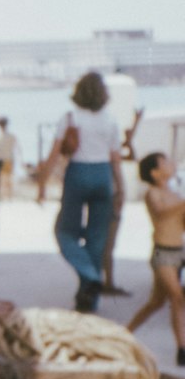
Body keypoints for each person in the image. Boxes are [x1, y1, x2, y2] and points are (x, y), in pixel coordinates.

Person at [37, 72, 124, 314]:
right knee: (97, 238)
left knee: (64, 232)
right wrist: (121, 188)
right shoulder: (110, 120)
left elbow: (54, 155)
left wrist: (42, 184)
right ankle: (88, 299)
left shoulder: (70, 117)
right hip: (103, 176)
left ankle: (88, 275)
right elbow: (116, 160)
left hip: (78, 174)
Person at [127, 152, 185, 366]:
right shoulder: (153, 193)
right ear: (154, 173)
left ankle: (126, 332)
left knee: (156, 302)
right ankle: (182, 348)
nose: (171, 163)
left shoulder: (176, 195)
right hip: (163, 253)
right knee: (176, 297)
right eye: (165, 162)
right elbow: (161, 213)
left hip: (179, 251)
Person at [0, 116, 21, 199]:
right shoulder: (9, 136)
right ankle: (7, 196)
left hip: (5, 160)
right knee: (6, 179)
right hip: (6, 160)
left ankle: (7, 196)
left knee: (5, 179)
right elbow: (18, 149)